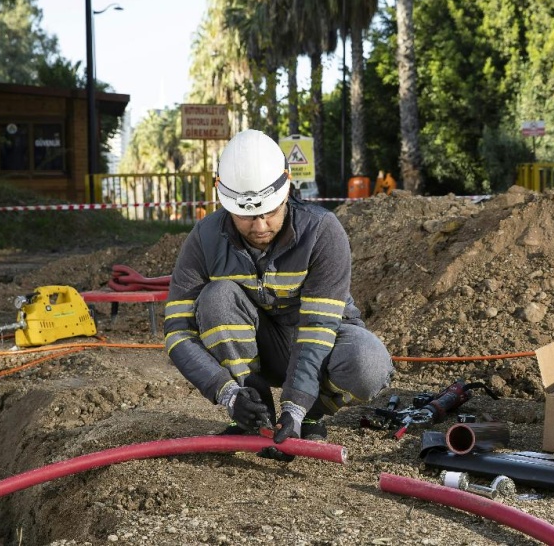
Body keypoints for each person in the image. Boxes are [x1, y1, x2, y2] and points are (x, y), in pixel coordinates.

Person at [164, 129, 394, 445]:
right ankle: (253, 408)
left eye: (270, 211)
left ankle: (313, 410)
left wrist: (296, 409)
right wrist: (228, 393)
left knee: (369, 363)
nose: (259, 227)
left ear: (286, 190)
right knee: (216, 297)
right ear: (224, 198)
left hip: (321, 345)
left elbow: (317, 329)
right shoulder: (204, 239)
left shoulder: (322, 231)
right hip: (259, 347)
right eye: (246, 215)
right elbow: (177, 332)